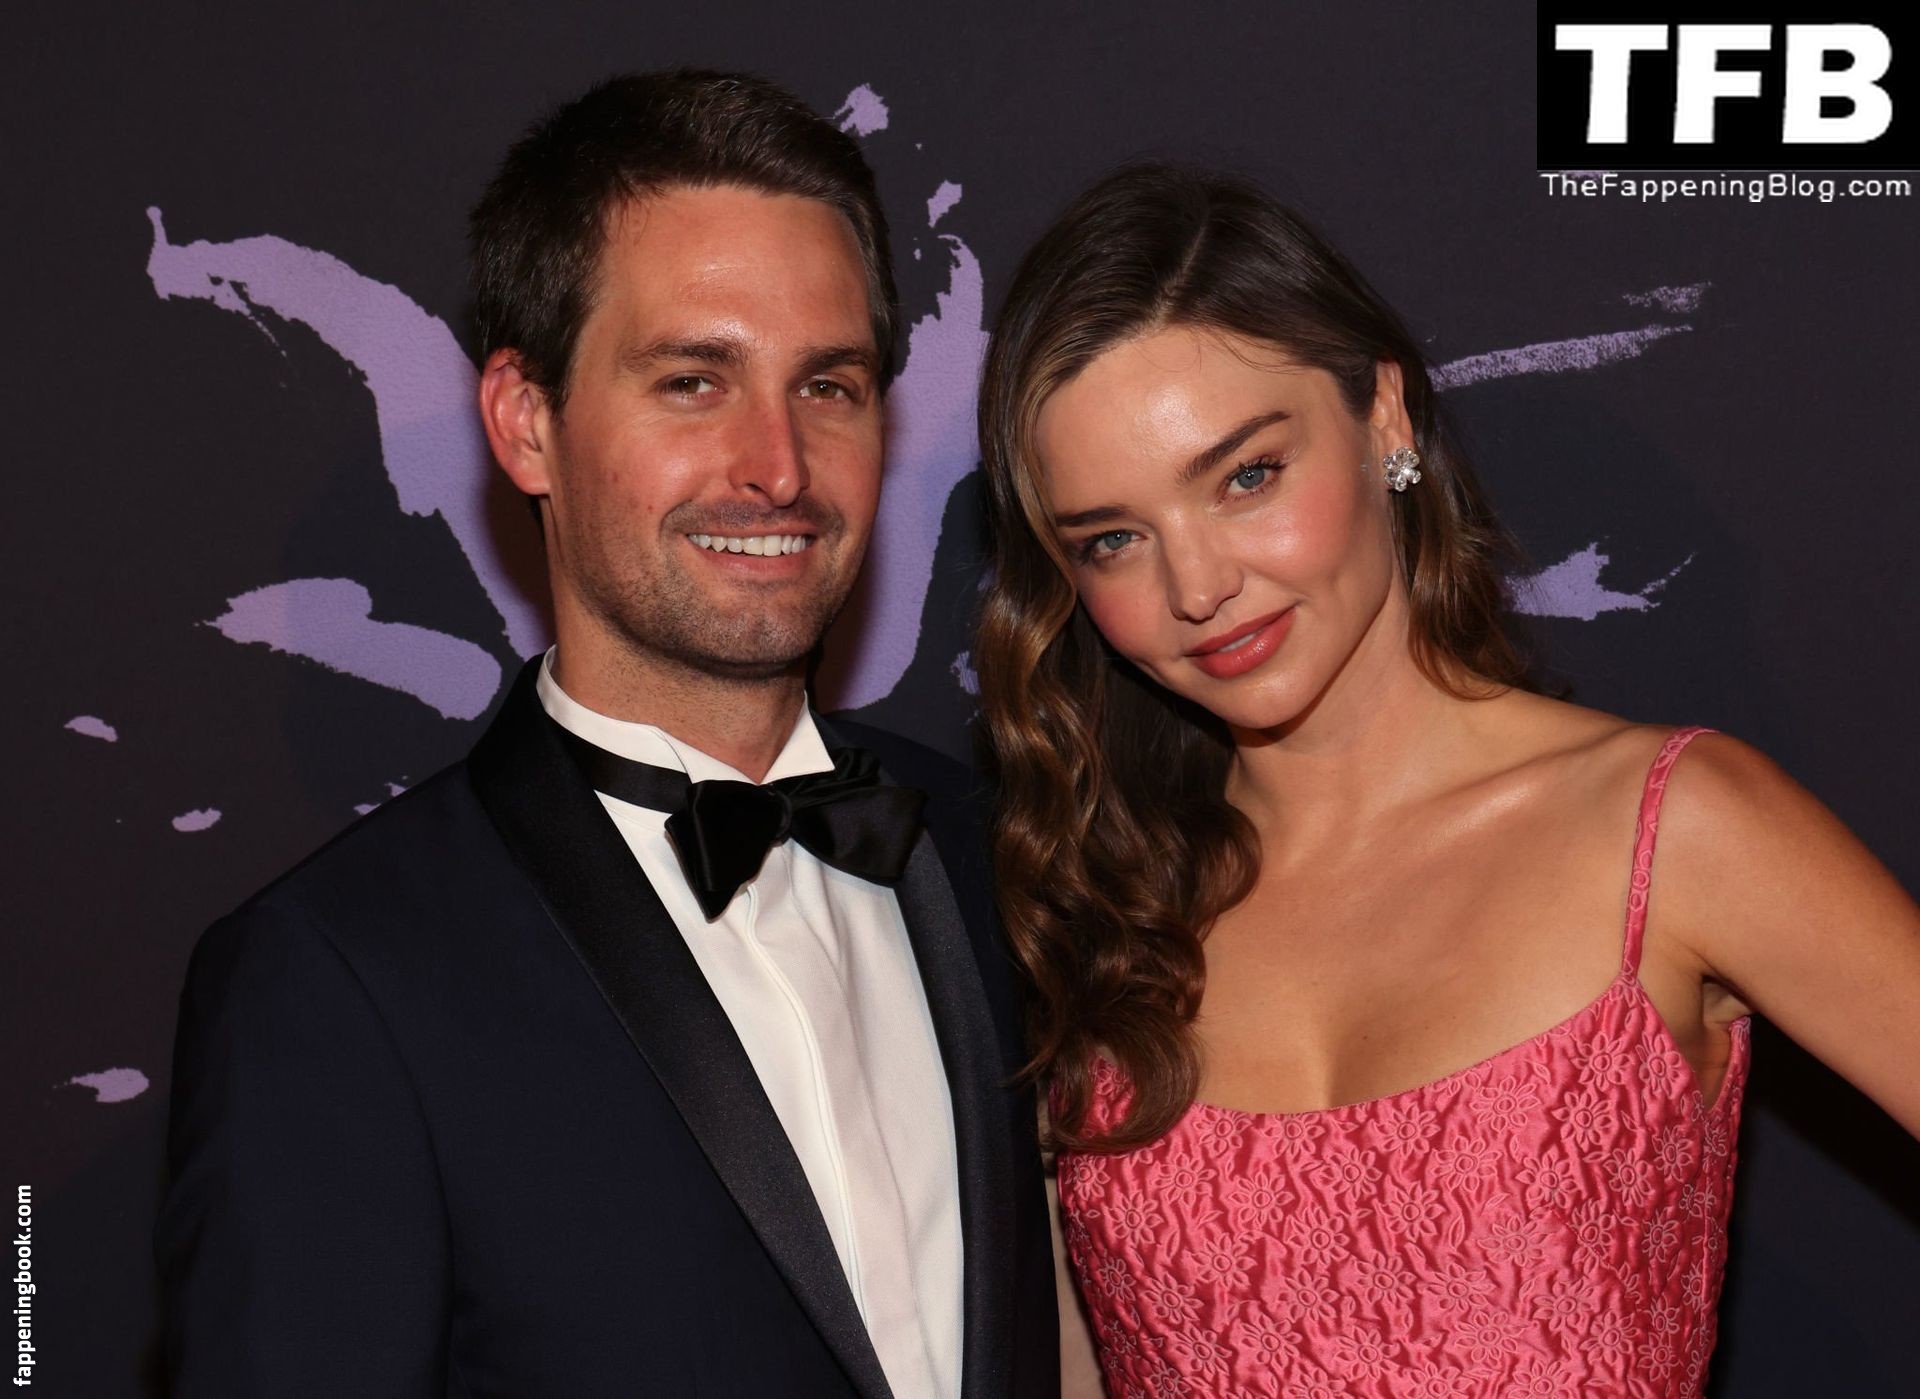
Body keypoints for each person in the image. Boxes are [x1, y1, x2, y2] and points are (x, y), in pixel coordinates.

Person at [156, 70, 1057, 1399]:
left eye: (829, 385)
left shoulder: (1005, 853)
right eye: (693, 381)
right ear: (528, 424)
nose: (778, 465)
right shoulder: (339, 977)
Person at [974, 164, 1920, 1397]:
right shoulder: (1093, 910)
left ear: (1384, 418)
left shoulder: (1673, 829)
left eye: (1247, 476)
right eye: (1113, 538)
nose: (1197, 586)